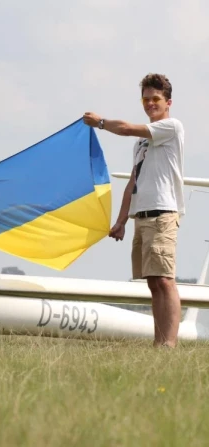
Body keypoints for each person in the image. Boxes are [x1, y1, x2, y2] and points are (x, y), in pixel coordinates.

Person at [82, 73, 184, 348]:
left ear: (168, 102)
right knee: (152, 282)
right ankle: (159, 341)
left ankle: (169, 344)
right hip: (143, 216)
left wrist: (100, 123)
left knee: (165, 280)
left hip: (163, 213)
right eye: (146, 99)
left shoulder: (171, 127)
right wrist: (121, 221)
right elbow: (132, 183)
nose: (150, 104)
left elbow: (126, 128)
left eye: (156, 99)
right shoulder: (141, 143)